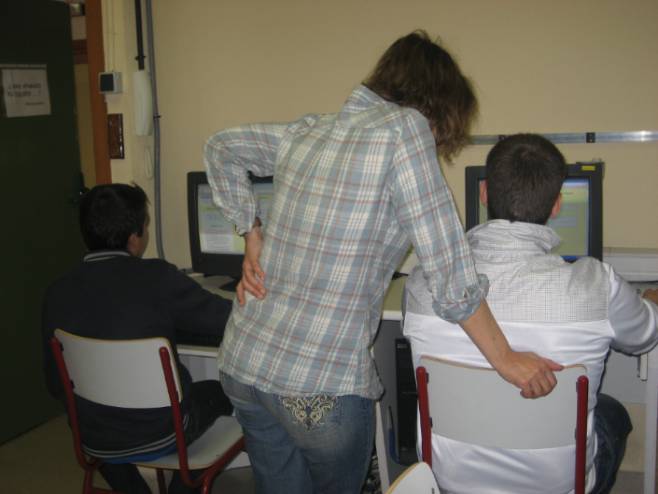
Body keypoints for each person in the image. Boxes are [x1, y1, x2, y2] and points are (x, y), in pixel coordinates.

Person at [204, 31, 559, 494]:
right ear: (438, 106)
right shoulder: (405, 131)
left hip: (243, 364)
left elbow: (221, 147)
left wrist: (250, 232)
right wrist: (506, 360)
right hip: (318, 387)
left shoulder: (308, 130)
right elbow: (450, 273)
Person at [404, 133, 658, 494]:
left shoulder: (422, 284)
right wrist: (650, 302)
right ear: (557, 205)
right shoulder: (598, 286)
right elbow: (645, 337)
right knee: (612, 412)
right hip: (558, 485)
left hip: (449, 482)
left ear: (484, 193)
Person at [41, 183, 234, 494]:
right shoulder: (158, 278)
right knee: (222, 390)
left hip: (93, 436)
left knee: (101, 421)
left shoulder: (57, 292)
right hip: (163, 433)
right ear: (135, 236)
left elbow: (55, 384)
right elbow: (225, 318)